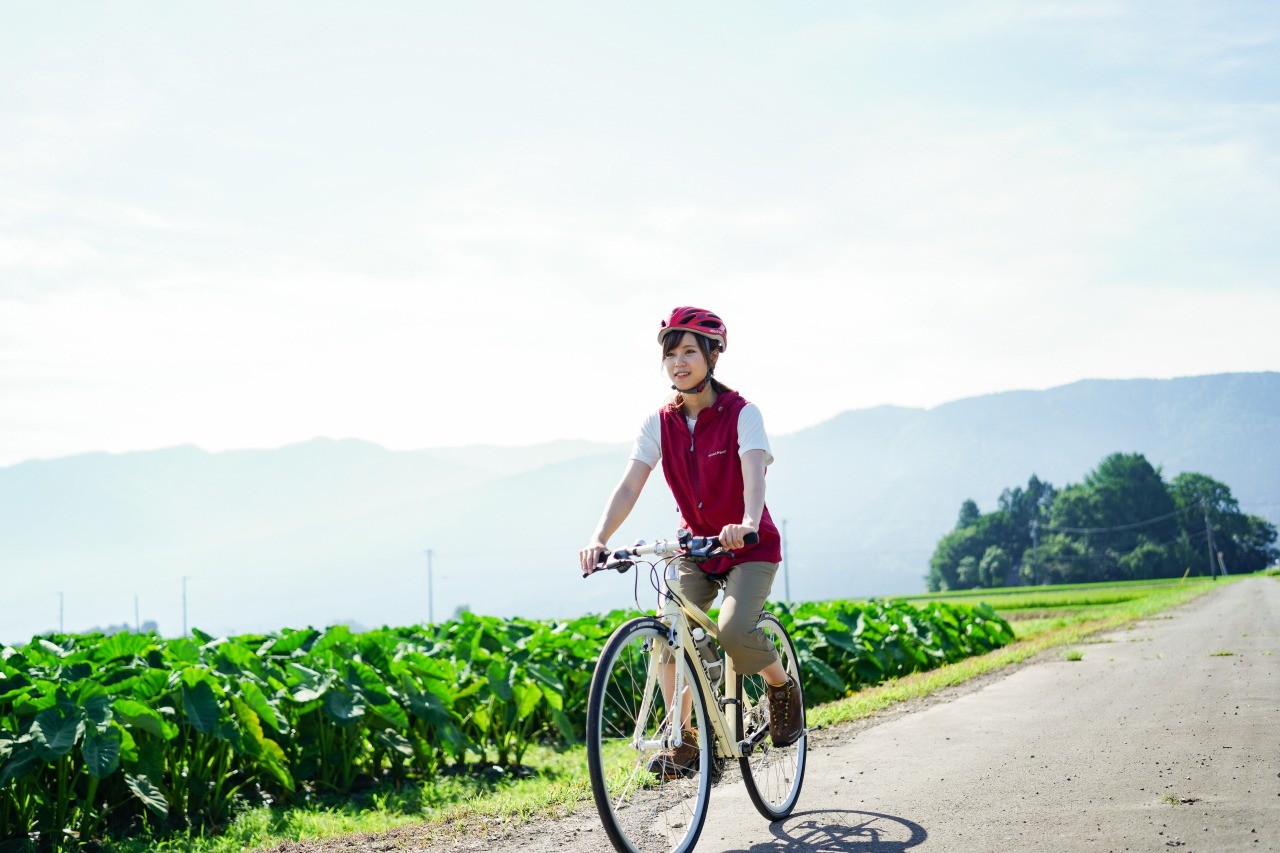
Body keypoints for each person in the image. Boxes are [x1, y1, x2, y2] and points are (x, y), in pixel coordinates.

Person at [578, 306, 802, 776]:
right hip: (696, 551)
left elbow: (754, 474)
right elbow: (629, 485)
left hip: (748, 547)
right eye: (671, 354)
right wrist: (600, 537)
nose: (678, 363)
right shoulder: (659, 423)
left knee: (734, 630)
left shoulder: (743, 414)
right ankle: (689, 740)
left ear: (712, 356)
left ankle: (781, 689)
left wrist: (747, 520)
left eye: (689, 352)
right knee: (668, 640)